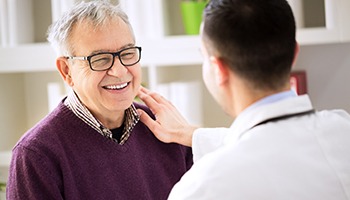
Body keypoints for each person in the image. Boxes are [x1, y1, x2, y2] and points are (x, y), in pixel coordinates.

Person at [137, 0, 350, 199]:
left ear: (219, 69)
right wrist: (192, 134)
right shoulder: (342, 128)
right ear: (294, 53)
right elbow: (275, 143)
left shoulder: (202, 188)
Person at [6, 1, 192, 199]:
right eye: (101, 59)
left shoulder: (167, 129)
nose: (120, 71)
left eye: (127, 53)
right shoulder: (36, 154)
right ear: (66, 70)